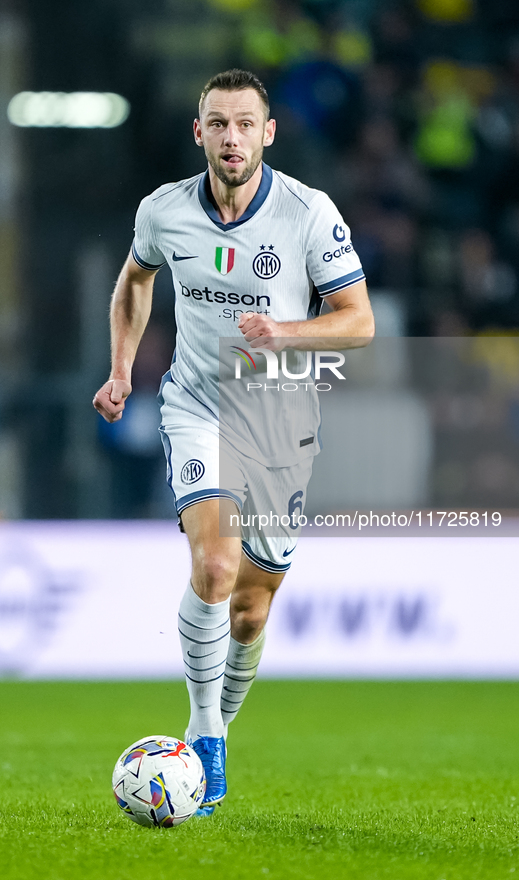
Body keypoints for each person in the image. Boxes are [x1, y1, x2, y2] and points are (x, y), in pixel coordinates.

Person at [93, 69, 374, 816]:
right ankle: (204, 732)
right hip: (195, 407)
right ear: (199, 132)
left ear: (267, 132)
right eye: (217, 123)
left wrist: (286, 331)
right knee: (215, 564)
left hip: (281, 423)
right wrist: (121, 369)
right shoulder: (163, 211)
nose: (231, 137)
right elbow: (133, 282)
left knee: (251, 609)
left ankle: (222, 717)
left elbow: (358, 319)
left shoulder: (308, 214)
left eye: (244, 124)